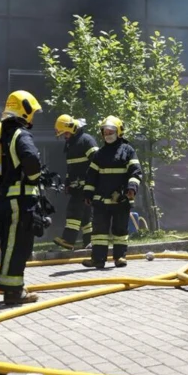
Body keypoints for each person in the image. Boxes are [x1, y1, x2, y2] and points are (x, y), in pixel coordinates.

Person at [0, 90, 45, 305]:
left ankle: (14, 287)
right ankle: (13, 293)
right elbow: (31, 160)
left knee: (9, 244)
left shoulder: (1, 134)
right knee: (18, 245)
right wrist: (35, 178)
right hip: (18, 200)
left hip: (3, 198)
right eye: (32, 111)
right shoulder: (20, 134)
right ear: (24, 109)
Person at [83, 116, 142, 269]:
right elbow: (91, 176)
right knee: (99, 232)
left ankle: (120, 257)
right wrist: (88, 193)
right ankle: (98, 259)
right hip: (101, 201)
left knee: (120, 230)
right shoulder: (99, 154)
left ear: (119, 132)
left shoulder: (128, 151)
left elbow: (135, 172)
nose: (108, 134)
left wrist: (131, 188)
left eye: (111, 131)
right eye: (105, 131)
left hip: (120, 199)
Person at [53, 115, 98, 251]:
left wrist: (92, 183)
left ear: (72, 129)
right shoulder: (71, 143)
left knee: (73, 211)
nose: (65, 137)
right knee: (85, 217)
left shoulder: (86, 141)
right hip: (77, 186)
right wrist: (68, 182)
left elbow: (97, 162)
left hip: (86, 186)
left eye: (65, 133)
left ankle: (68, 240)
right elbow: (71, 167)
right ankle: (89, 243)